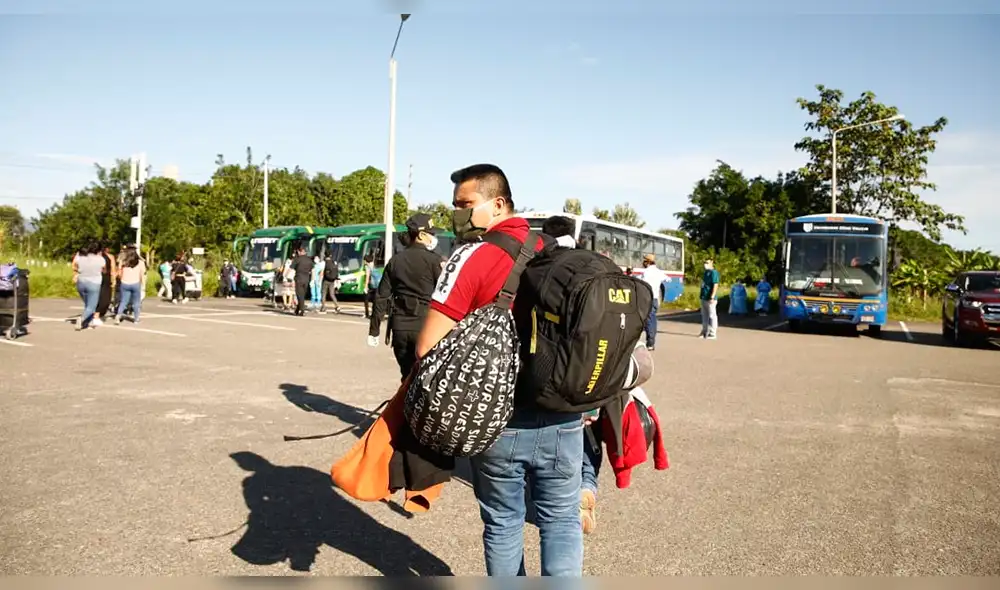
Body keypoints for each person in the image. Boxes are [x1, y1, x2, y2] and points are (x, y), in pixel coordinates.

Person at [415, 164, 579, 577]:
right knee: (561, 520)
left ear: (499, 203)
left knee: (504, 521)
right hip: (564, 416)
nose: (457, 213)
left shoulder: (472, 255)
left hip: (497, 419)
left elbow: (426, 346)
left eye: (465, 204)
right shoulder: (557, 252)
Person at [540, 215, 603, 535]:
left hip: (549, 369)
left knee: (555, 433)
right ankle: (586, 486)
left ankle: (560, 497)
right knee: (589, 434)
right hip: (595, 370)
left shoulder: (540, 266)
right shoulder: (597, 266)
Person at [367, 213, 443, 380]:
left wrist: (374, 330)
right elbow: (446, 294)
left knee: (407, 377)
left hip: (399, 328)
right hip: (425, 326)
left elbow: (381, 297)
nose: (434, 237)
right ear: (421, 235)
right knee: (426, 378)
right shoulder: (434, 261)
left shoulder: (395, 261)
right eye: (431, 233)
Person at [72, 242, 106, 331]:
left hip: (81, 282)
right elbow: (104, 270)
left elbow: (75, 266)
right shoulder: (100, 259)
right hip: (94, 283)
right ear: (99, 250)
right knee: (92, 306)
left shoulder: (82, 258)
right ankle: (81, 319)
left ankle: (88, 322)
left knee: (88, 304)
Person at [639, 253, 666, 351]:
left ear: (648, 262)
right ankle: (651, 341)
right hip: (655, 299)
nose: (643, 263)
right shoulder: (659, 272)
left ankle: (650, 343)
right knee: (653, 319)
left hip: (647, 298)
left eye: (644, 261)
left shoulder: (646, 272)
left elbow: (641, 281)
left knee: (649, 320)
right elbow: (668, 279)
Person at [115, 247, 146, 324]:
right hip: (136, 283)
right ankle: (136, 319)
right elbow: (142, 275)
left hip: (124, 283)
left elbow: (119, 272)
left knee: (123, 301)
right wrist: (143, 285)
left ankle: (118, 316)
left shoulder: (123, 262)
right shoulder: (140, 262)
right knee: (136, 302)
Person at [289, 246, 314, 316]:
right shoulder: (309, 260)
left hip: (299, 279)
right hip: (306, 279)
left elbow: (291, 268)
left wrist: (285, 276)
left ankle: (302, 310)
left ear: (299, 252)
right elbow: (313, 270)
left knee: (299, 295)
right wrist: (312, 279)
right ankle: (297, 310)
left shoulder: (297, 259)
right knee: (302, 295)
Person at [699, 258, 720, 339]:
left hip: (710, 298)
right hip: (704, 297)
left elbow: (715, 285)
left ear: (711, 263)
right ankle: (704, 331)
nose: (705, 264)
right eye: (704, 262)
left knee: (712, 315)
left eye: (707, 263)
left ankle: (713, 333)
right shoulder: (706, 272)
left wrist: (712, 296)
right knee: (704, 315)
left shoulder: (714, 273)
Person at [96, 243, 116, 321]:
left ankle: (99, 312)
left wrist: (113, 279)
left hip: (105, 278)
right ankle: (97, 313)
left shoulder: (110, 256)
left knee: (105, 298)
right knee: (101, 297)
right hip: (99, 277)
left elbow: (113, 269)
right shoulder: (97, 256)